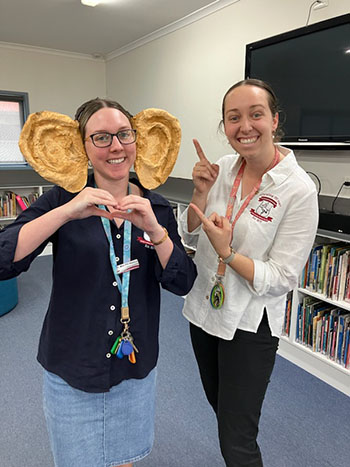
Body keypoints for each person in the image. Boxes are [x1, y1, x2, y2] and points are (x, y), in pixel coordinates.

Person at [0, 98, 197, 467]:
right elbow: (3, 260)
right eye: (101, 137)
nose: (116, 146)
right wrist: (67, 212)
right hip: (74, 362)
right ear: (83, 147)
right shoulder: (62, 199)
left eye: (124, 134)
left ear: (137, 141)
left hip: (133, 365)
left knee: (125, 460)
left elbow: (183, 280)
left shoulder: (157, 208)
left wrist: (155, 231)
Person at [179, 79, 318, 466]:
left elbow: (284, 278)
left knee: (237, 439)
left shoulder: (299, 190)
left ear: (274, 120)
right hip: (206, 308)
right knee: (220, 408)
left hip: (249, 323)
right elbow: (189, 230)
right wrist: (200, 194)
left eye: (256, 114)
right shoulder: (222, 168)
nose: (245, 126)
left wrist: (228, 251)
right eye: (233, 117)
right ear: (224, 126)